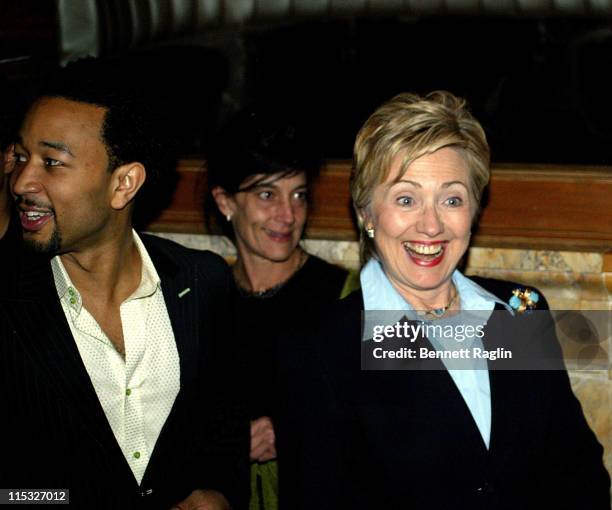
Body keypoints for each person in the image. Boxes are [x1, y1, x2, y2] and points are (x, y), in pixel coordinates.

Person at [278, 91, 611, 509]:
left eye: (451, 199)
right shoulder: (320, 350)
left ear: (474, 210)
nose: (431, 224)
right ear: (366, 214)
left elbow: (578, 471)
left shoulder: (520, 309)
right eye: (406, 199)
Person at [0, 59, 248, 509]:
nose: (21, 181)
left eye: (51, 163)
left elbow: (224, 432)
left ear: (124, 184)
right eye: (20, 157)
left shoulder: (203, 282)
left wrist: (214, 495)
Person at [208, 109, 350, 509]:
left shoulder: (344, 294)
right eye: (267, 194)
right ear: (225, 202)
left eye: (299, 194)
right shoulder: (203, 297)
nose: (288, 215)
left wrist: (291, 427)